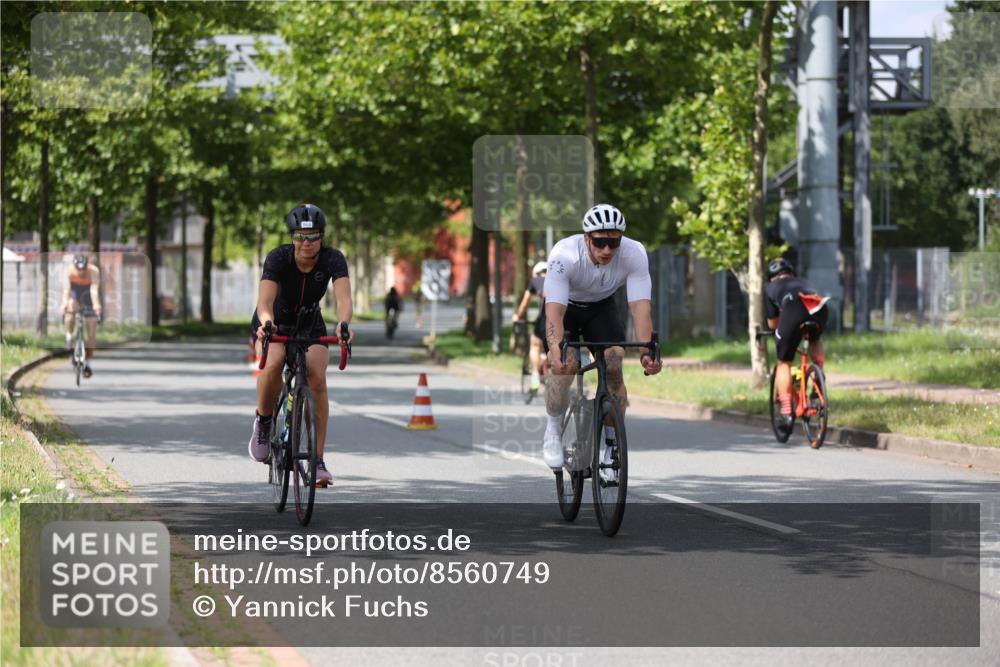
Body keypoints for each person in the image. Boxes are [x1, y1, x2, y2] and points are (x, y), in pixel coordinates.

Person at [542, 204, 663, 482]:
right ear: (587, 238)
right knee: (567, 365)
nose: (607, 249)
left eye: (613, 242)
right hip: (566, 308)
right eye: (600, 242)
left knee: (613, 363)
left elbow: (640, 307)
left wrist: (647, 352)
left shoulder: (634, 254)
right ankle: (552, 428)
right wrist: (555, 351)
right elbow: (555, 312)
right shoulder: (564, 254)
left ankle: (611, 447)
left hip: (601, 307)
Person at [247, 203, 354, 487]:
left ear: (322, 236)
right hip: (275, 322)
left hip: (309, 322)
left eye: (313, 236)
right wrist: (267, 323)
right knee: (272, 365)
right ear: (292, 237)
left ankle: (317, 461)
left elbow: (343, 299)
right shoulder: (278, 257)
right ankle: (264, 421)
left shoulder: (333, 259)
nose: (306, 244)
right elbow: (265, 302)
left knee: (317, 379)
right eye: (299, 237)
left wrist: (343, 325)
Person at [764, 257, 830, 432]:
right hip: (819, 307)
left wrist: (784, 336)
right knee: (815, 339)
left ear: (771, 277)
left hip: (793, 308)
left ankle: (786, 411)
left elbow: (773, 324)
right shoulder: (803, 280)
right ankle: (818, 374)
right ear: (791, 273)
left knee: (784, 362)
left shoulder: (771, 287)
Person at [61, 253, 102, 377]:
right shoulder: (69, 271)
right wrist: (64, 303)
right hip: (74, 293)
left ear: (86, 266)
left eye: (83, 269)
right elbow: (66, 289)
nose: (80, 272)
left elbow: (94, 290)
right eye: (78, 269)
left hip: (88, 296)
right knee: (71, 306)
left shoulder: (93, 271)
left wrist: (96, 305)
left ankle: (88, 363)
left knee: (91, 334)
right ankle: (69, 336)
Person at [511, 261, 548, 392]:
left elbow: (525, 303)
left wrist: (517, 316)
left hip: (545, 318)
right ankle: (546, 361)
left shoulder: (534, 280)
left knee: (535, 343)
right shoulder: (557, 278)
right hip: (563, 317)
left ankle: (535, 375)